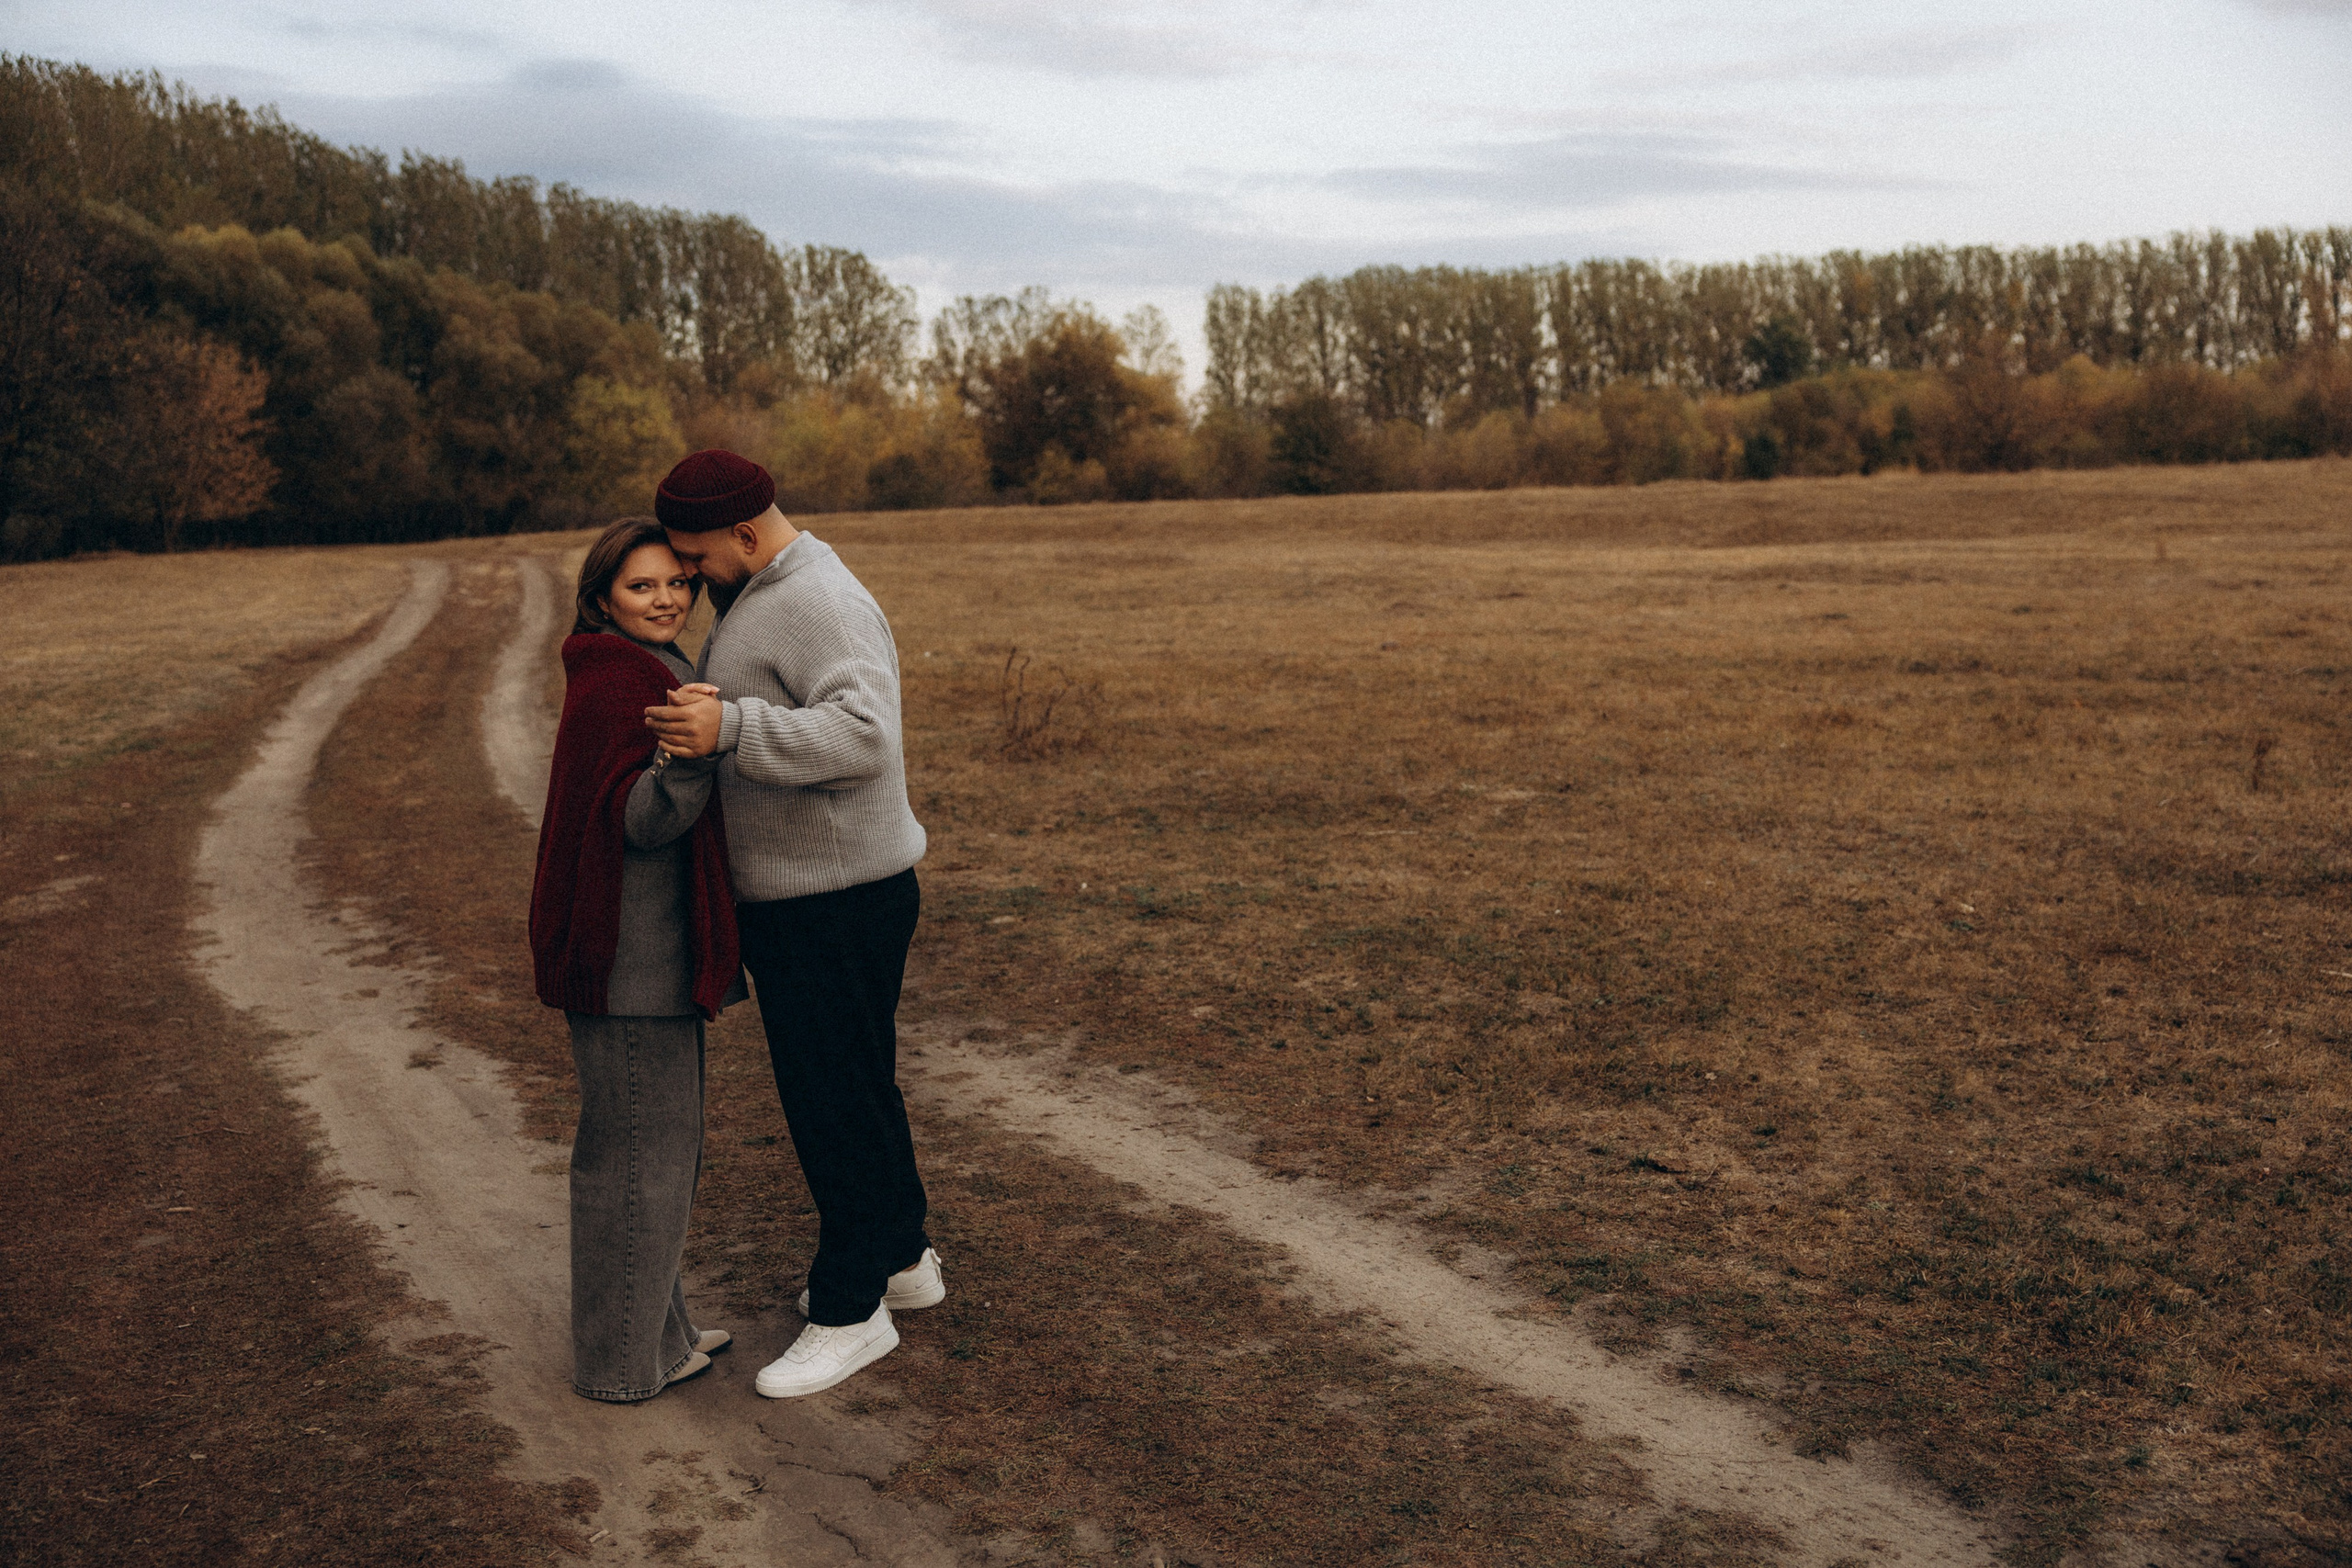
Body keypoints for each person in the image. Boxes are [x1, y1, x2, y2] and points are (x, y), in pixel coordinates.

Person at [642, 448, 942, 1401]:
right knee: (855, 1085)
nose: (686, 575)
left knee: (830, 1103)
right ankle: (900, 1255)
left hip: (835, 900)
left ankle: (853, 1314)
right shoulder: (767, 589)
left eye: (694, 556)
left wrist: (731, 729)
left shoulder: (813, 599)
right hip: (820, 893)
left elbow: (865, 735)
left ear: (744, 532)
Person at [529, 516, 746, 1403]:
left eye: (677, 584)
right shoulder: (621, 681)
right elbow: (641, 822)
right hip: (629, 964)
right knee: (633, 1159)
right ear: (602, 596)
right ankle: (621, 1363)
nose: (667, 599)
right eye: (642, 587)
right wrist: (692, 762)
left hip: (654, 957)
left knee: (661, 1150)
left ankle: (666, 1332)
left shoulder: (645, 666)